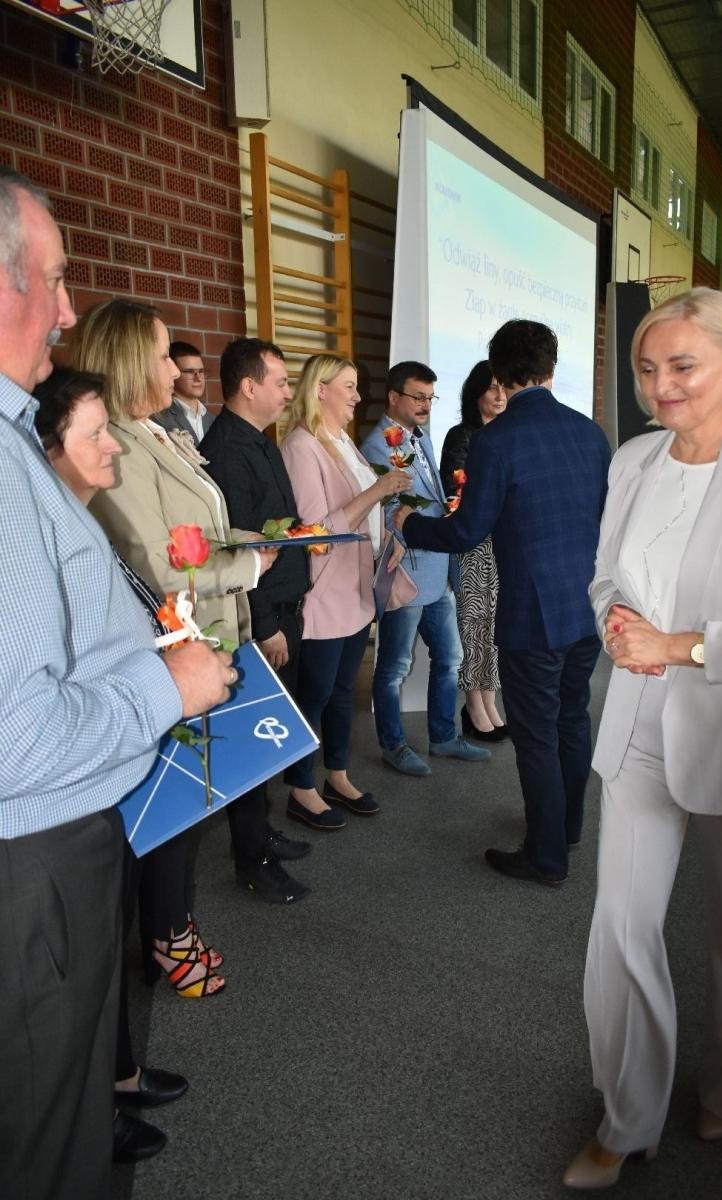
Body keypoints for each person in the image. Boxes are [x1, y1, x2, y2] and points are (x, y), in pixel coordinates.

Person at [0, 167, 232, 1200]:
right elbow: (16, 734)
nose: (64, 310)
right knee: (47, 1146)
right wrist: (166, 689)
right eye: (49, 281)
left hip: (48, 844)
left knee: (59, 1109)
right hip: (33, 854)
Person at [563, 288, 722, 1189]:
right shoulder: (632, 460)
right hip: (637, 723)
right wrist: (618, 622)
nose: (662, 386)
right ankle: (628, 1117)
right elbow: (602, 576)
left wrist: (682, 646)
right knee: (620, 925)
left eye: (683, 365)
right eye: (648, 369)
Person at [73, 299, 308, 924]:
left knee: (199, 791)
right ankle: (166, 936)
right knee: (171, 809)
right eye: (159, 357)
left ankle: (172, 927)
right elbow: (153, 565)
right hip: (176, 646)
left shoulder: (157, 430)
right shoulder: (114, 443)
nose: (174, 372)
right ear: (128, 364)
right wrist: (250, 568)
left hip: (212, 632)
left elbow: (201, 522)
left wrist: (246, 540)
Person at [33, 366, 192, 1162]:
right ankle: (104, 1101)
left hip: (112, 763)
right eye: (93, 435)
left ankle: (120, 1076)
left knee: (109, 942)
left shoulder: (82, 516)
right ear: (48, 445)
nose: (111, 449)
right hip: (76, 774)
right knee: (80, 970)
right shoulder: (43, 523)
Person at [395, 324, 609, 884]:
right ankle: (566, 827)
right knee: (572, 718)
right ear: (552, 366)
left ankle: (545, 856)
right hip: (588, 606)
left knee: (536, 733)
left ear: (499, 371)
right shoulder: (590, 433)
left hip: (532, 615)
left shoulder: (499, 438)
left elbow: (467, 531)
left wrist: (408, 524)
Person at [281, 353, 413, 827]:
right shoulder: (301, 445)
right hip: (325, 594)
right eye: (350, 387)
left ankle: (336, 773)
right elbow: (316, 533)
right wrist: (377, 492)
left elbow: (361, 521)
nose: (358, 397)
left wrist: (387, 544)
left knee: (340, 692)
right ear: (320, 390)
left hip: (356, 591)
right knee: (313, 695)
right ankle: (300, 787)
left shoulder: (342, 442)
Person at [201, 337, 313, 882]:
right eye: (281, 382)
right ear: (249, 386)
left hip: (282, 604)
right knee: (251, 736)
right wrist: (266, 624)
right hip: (257, 617)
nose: (288, 392)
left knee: (268, 733)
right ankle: (252, 859)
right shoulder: (226, 449)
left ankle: (261, 832)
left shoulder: (259, 440)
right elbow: (239, 550)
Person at [360, 361, 492, 777]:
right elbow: (381, 511)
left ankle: (443, 736)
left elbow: (431, 496)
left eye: (430, 398)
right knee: (395, 666)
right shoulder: (377, 447)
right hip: (408, 573)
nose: (425, 405)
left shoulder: (421, 438)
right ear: (394, 396)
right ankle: (394, 745)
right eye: (417, 396)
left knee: (449, 656)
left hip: (438, 568)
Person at [439, 360, 508, 741]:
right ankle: (473, 703)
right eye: (491, 387)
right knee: (474, 624)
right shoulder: (461, 434)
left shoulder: (511, 433)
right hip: (474, 545)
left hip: (505, 543)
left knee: (495, 626)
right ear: (476, 393)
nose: (499, 395)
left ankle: (490, 698)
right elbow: (456, 492)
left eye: (503, 387)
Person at [155, 339, 215, 445]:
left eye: (201, 371)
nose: (198, 378)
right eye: (189, 372)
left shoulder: (214, 420)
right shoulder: (159, 419)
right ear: (174, 373)